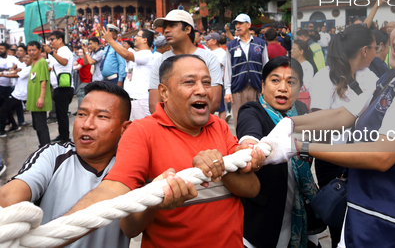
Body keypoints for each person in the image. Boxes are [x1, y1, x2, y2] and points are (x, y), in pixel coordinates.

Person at [264, 0, 395, 247]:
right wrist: (290, 123)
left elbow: (383, 155)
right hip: (368, 219)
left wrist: (299, 147)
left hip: (394, 231)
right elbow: (344, 115)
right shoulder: (392, 80)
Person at [65, 54, 264, 248]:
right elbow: (128, 226)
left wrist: (218, 166)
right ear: (164, 92)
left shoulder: (219, 126)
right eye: (189, 82)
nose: (202, 91)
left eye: (206, 82)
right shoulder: (142, 132)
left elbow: (252, 189)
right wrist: (154, 200)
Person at [0, 81, 132, 248]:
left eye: (101, 116)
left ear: (125, 129)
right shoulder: (53, 155)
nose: (87, 125)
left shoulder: (131, 167)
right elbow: (9, 196)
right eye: (82, 114)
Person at [237, 57, 320, 248]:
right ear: (263, 85)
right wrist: (250, 148)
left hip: (301, 211)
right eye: (275, 80)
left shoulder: (301, 111)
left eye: (291, 82)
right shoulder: (252, 111)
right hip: (266, 218)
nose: (283, 88)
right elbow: (249, 136)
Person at [309, 24, 378, 247]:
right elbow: (319, 125)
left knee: (361, 222)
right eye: (375, 48)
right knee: (339, 222)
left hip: (362, 160)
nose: (378, 52)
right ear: (364, 50)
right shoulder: (324, 77)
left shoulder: (371, 77)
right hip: (333, 161)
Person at [149, 10, 223, 114]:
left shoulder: (209, 58)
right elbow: (154, 104)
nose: (166, 30)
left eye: (172, 25)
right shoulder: (160, 61)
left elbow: (214, 101)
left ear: (188, 29)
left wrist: (191, 123)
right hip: (170, 128)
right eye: (165, 27)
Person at [224, 14, 269, 123]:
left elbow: (266, 66)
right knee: (240, 120)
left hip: (256, 88)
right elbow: (228, 69)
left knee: (256, 119)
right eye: (236, 24)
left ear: (248, 25)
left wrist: (266, 86)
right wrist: (227, 90)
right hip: (237, 88)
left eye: (241, 23)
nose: (237, 26)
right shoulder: (231, 45)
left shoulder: (260, 43)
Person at [103, 27, 155, 120]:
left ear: (145, 40)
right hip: (133, 100)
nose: (134, 38)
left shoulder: (146, 54)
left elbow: (126, 54)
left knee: (141, 132)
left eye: (137, 36)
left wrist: (110, 40)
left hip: (140, 101)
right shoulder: (138, 54)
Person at [44, 31, 75, 143]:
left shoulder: (64, 50)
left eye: (52, 39)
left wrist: (51, 52)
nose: (51, 42)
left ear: (60, 39)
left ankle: (65, 138)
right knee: (60, 113)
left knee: (62, 114)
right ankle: (62, 134)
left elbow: (64, 62)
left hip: (64, 87)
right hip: (59, 87)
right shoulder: (58, 52)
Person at [26, 41, 53, 147]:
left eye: (34, 50)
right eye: (29, 50)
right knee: (37, 126)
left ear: (40, 50)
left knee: (41, 126)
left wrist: (41, 97)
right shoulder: (33, 63)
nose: (31, 52)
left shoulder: (42, 62)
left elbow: (43, 81)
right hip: (33, 100)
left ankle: (46, 148)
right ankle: (43, 146)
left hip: (39, 100)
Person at [0, 53, 30, 136]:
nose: (25, 59)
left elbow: (16, 75)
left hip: (19, 94)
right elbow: (16, 70)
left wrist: (2, 74)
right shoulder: (25, 67)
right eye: (25, 57)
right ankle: (14, 125)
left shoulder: (30, 68)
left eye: (28, 58)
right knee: (6, 108)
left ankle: (1, 131)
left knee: (4, 109)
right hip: (17, 92)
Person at [204, 32, 228, 121]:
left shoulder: (222, 52)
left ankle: (222, 125)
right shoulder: (207, 52)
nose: (205, 42)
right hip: (206, 82)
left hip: (216, 82)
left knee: (220, 106)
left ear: (214, 41)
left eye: (208, 40)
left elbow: (219, 64)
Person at [0, 42, 18, 109]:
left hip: (9, 87)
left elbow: (20, 65)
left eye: (2, 49)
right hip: (0, 86)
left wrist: (14, 68)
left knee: (8, 107)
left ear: (7, 50)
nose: (0, 50)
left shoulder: (12, 58)